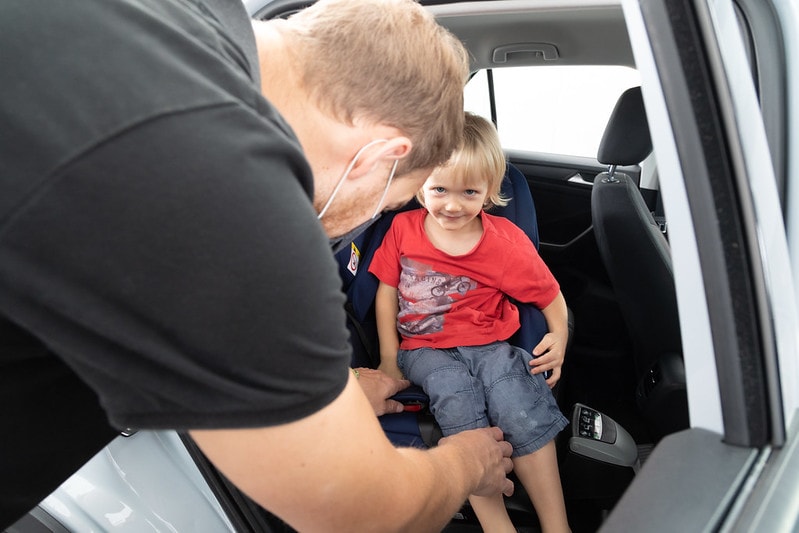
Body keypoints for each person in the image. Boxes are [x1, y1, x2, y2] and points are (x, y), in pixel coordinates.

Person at [0, 1, 516, 531]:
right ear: (379, 157)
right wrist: (468, 462)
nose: (372, 219)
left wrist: (319, 395)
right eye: (388, 203)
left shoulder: (183, 18)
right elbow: (363, 512)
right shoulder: (229, 202)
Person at [370, 112, 571, 532]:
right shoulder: (402, 229)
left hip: (488, 344)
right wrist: (390, 358)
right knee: (455, 392)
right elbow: (386, 293)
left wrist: (561, 334)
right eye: (439, 188)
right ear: (421, 187)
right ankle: (496, 523)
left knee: (517, 398)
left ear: (490, 192)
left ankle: (558, 524)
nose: (452, 204)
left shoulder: (503, 244)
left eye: (469, 192)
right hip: (422, 349)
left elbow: (549, 294)